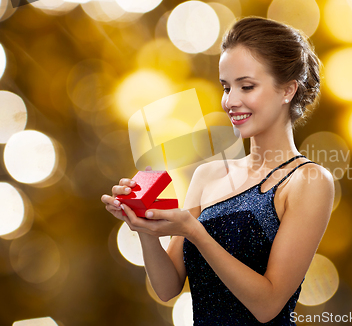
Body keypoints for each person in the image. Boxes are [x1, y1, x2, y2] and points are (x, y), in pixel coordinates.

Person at [101, 16, 335, 325]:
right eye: (226, 87)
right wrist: (143, 226)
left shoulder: (308, 181)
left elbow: (267, 305)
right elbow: (167, 287)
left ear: (287, 90)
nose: (230, 101)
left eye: (246, 86)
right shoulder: (208, 176)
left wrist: (194, 232)